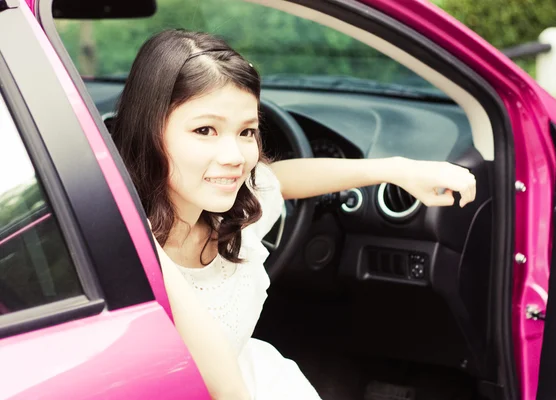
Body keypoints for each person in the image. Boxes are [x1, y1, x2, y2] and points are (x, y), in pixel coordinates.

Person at [112, 29, 476, 400]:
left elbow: (279, 181)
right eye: (205, 130)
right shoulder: (129, 243)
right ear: (150, 130)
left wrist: (397, 169)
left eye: (246, 132)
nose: (235, 157)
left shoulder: (228, 213)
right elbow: (225, 390)